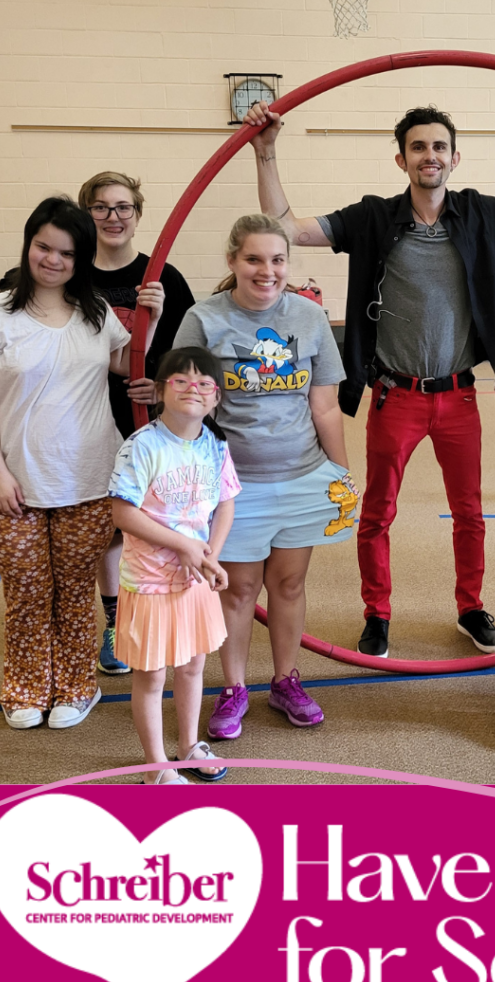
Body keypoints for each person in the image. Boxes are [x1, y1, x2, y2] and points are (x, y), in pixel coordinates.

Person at [242, 87, 495, 659]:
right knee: (378, 513)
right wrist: (265, 152)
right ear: (402, 160)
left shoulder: (481, 212)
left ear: (455, 158)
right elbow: (286, 227)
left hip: (460, 394)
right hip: (396, 394)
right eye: (418, 147)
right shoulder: (372, 218)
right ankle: (378, 615)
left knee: (470, 512)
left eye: (440, 146)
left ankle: (470, 606)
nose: (430, 155)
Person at [0, 197, 164, 729]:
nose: (52, 259)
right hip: (12, 481)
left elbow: (122, 363)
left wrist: (150, 320)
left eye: (66, 252)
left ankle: (75, 686)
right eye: (43, 246)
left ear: (81, 258)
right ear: (28, 246)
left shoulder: (94, 314)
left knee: (72, 592)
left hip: (87, 478)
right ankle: (24, 687)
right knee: (25, 592)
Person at [172, 214, 357, 741]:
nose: (267, 271)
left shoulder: (308, 316)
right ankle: (233, 689)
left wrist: (339, 475)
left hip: (302, 476)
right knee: (240, 588)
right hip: (236, 485)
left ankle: (285, 680)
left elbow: (324, 406)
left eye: (277, 260)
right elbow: (187, 403)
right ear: (232, 261)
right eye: (254, 259)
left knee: (289, 584)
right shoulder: (205, 318)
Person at [78, 171, 198, 677]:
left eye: (123, 207)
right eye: (102, 208)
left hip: (145, 417)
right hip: (87, 415)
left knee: (153, 517)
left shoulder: (162, 277)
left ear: (138, 214)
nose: (113, 217)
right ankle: (114, 620)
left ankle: (160, 609)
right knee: (109, 526)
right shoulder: (74, 276)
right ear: (88, 215)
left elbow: (188, 353)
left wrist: (159, 384)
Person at [109, 347, 240, 784]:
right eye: (180, 380)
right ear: (161, 390)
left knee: (192, 666)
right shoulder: (142, 446)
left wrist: (208, 555)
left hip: (195, 581)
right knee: (151, 676)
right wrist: (184, 546)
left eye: (204, 382)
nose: (193, 389)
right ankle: (156, 767)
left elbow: (226, 504)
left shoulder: (216, 445)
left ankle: (188, 746)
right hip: (149, 583)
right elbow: (123, 513)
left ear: (216, 396)